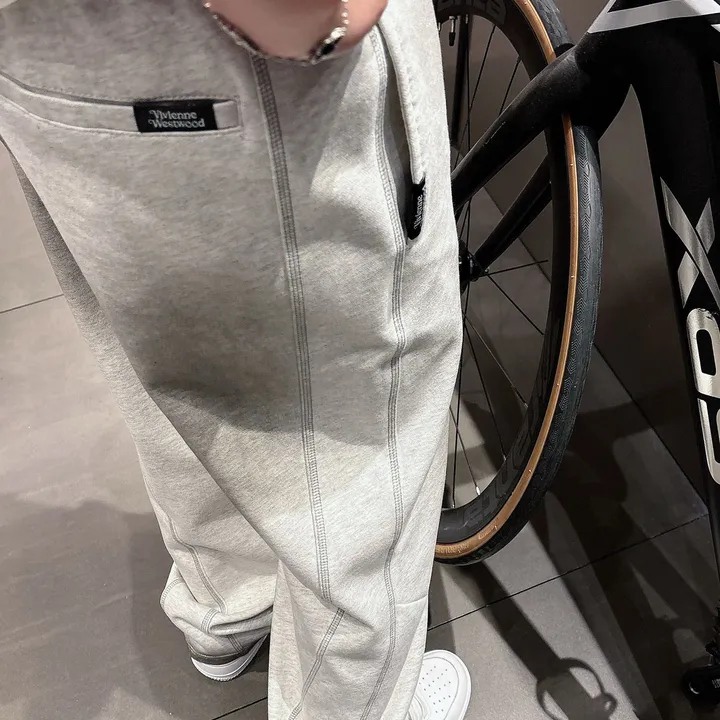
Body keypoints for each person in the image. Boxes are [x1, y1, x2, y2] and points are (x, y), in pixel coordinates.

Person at [0, 0, 470, 717]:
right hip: (257, 54)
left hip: (39, 57)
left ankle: (227, 608)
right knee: (362, 428)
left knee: (184, 367)